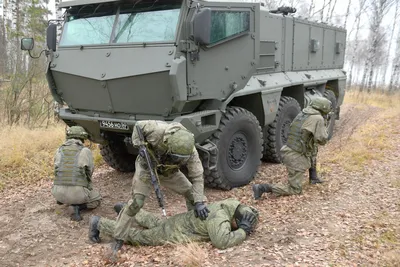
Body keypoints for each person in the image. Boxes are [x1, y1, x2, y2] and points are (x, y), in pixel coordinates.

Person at [113, 120, 209, 244]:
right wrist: (139, 146)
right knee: (137, 202)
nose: (179, 160)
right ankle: (118, 238)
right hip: (147, 167)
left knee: (193, 196)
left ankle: (193, 226)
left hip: (169, 171)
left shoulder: (191, 151)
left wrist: (199, 202)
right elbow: (138, 126)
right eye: (176, 157)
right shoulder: (156, 131)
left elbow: (197, 177)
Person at [88, 198, 258, 250]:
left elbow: (249, 212)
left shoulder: (230, 205)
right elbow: (221, 242)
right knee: (140, 237)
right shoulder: (219, 218)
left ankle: (127, 209)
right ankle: (100, 223)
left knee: (157, 223)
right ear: (235, 219)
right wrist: (243, 231)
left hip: (178, 222)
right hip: (175, 231)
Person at [253, 96, 332, 199]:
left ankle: (313, 178)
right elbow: (322, 140)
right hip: (296, 157)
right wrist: (325, 124)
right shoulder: (318, 118)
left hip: (289, 150)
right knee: (295, 190)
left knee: (312, 147)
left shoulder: (304, 113)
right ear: (324, 108)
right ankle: (263, 188)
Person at [51, 126, 102, 221]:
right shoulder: (85, 151)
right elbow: (89, 172)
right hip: (78, 194)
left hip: (57, 193)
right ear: (82, 138)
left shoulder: (59, 150)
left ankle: (63, 200)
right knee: (97, 198)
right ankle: (77, 207)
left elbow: (56, 171)